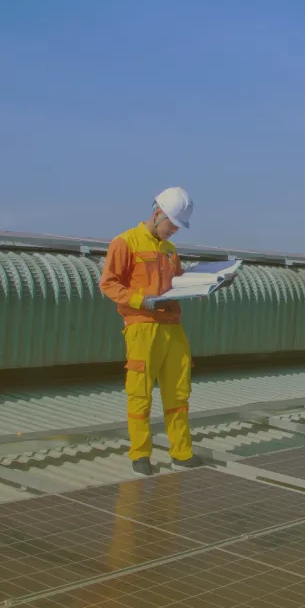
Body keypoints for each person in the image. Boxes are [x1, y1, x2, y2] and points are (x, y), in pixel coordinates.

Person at [98, 186, 203, 475]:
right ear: (158, 213)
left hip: (172, 327)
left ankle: (181, 453)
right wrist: (138, 300)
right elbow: (108, 283)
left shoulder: (170, 251)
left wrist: (204, 285)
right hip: (142, 326)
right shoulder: (124, 242)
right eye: (172, 224)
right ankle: (140, 454)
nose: (174, 231)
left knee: (178, 393)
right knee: (140, 392)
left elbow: (177, 283)